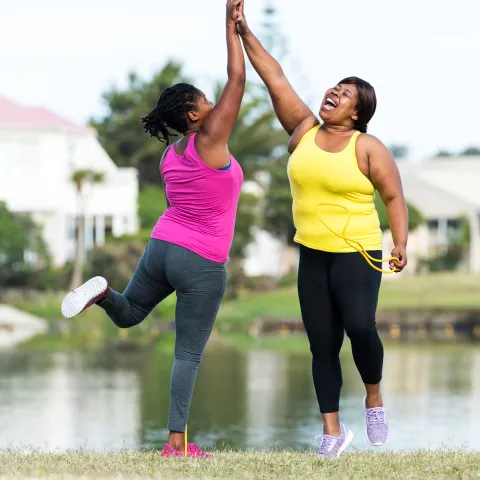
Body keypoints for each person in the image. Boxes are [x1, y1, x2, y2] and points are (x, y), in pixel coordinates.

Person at [61, 0, 246, 459]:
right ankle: (175, 445)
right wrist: (232, 27)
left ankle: (104, 291)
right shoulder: (210, 140)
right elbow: (239, 81)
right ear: (195, 115)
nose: (212, 102)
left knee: (128, 314)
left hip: (163, 245)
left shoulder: (171, 155)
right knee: (187, 355)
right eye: (204, 100)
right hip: (201, 261)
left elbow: (176, 203)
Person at [235, 1, 408, 458]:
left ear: (357, 112)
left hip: (359, 252)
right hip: (312, 253)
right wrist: (243, 30)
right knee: (321, 344)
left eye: (346, 93)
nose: (334, 91)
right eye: (336, 86)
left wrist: (401, 242)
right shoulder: (302, 132)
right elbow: (275, 78)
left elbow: (393, 197)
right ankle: (332, 431)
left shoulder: (367, 147)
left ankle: (373, 396)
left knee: (361, 328)